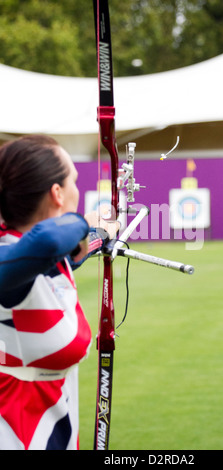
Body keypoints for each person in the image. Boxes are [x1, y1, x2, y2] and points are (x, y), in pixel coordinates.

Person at [0, 135, 119, 450]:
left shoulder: (31, 259)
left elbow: (62, 256)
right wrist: (82, 222)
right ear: (57, 193)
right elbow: (49, 242)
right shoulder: (8, 262)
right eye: (74, 181)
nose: (77, 190)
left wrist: (99, 236)